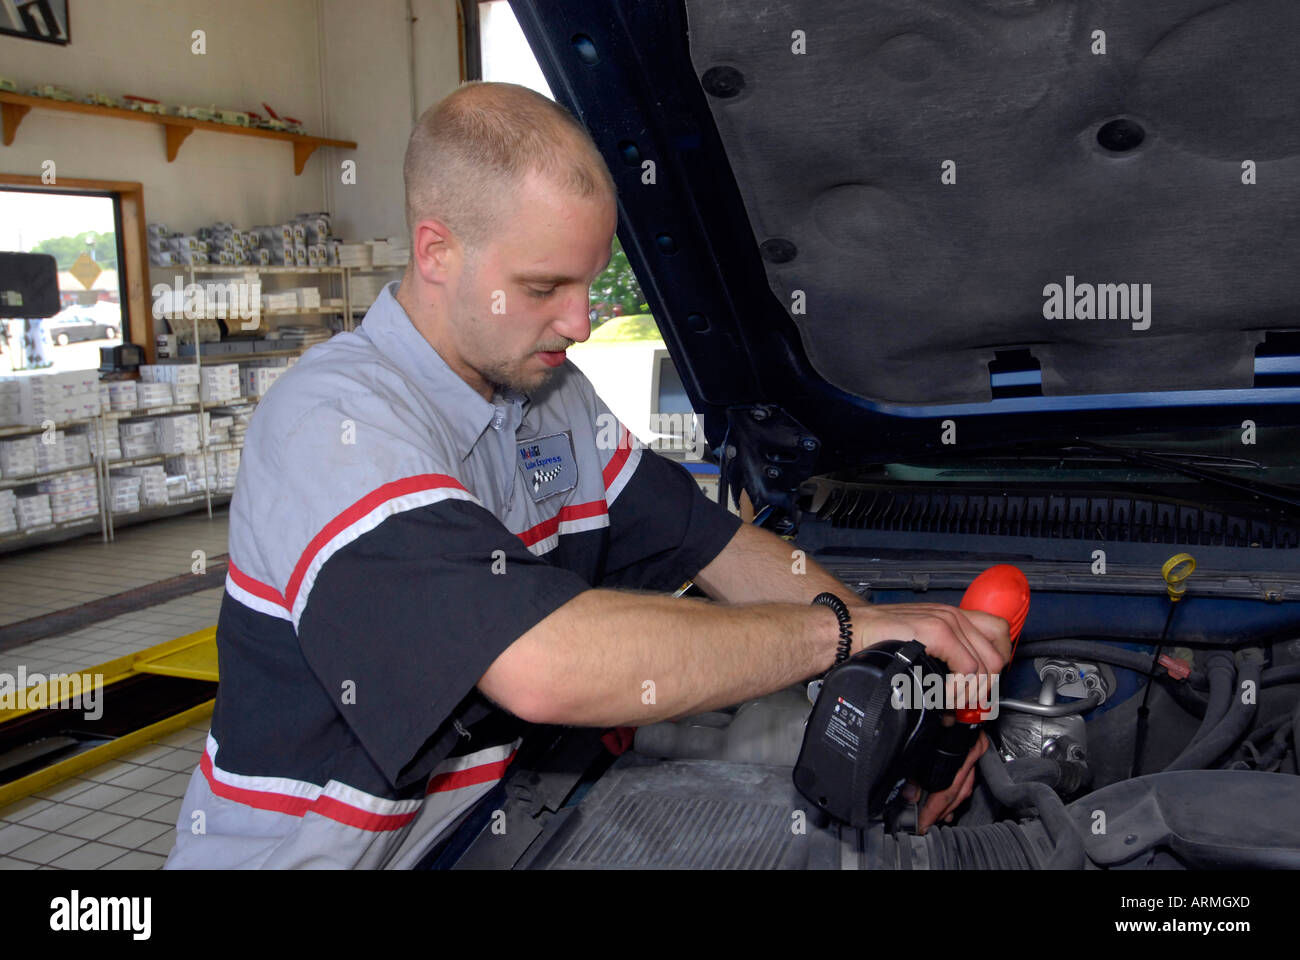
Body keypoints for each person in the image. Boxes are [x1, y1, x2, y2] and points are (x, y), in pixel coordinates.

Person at [165, 82, 1009, 869]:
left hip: (480, 829)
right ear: (436, 252)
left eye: (590, 281)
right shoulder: (336, 423)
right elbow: (541, 664)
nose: (579, 321)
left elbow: (716, 544)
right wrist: (842, 635)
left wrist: (894, 650)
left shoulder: (556, 398)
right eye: (544, 286)